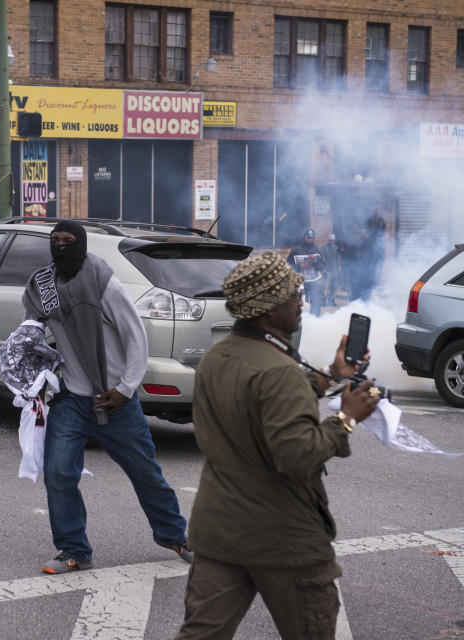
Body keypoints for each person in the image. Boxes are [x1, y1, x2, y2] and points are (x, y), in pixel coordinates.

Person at [174, 251, 380, 640]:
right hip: (283, 539)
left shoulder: (216, 358)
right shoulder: (278, 370)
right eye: (294, 294)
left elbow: (257, 406)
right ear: (269, 309)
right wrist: (346, 418)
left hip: (220, 531)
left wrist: (332, 376)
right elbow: (297, 453)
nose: (301, 301)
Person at [21, 219, 191, 575]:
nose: (61, 246)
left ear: (82, 245)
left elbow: (136, 338)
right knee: (58, 474)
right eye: (56, 241)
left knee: (146, 473)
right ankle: (73, 550)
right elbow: (32, 333)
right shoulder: (43, 286)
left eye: (69, 241)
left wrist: (125, 389)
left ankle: (176, 536)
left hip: (115, 399)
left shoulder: (104, 283)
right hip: (72, 396)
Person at [286, 228, 325, 316]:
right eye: (308, 237)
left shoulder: (318, 250)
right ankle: (299, 322)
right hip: (300, 282)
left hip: (315, 281)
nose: (310, 239)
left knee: (316, 303)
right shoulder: (296, 250)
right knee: (298, 304)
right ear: (304, 237)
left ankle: (315, 321)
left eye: (312, 237)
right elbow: (288, 266)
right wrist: (299, 266)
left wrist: (315, 262)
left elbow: (322, 267)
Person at [321, 233, 342, 309]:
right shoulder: (324, 248)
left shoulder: (337, 248)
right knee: (325, 286)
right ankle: (324, 301)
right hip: (327, 270)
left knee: (334, 287)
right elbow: (322, 259)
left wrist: (338, 268)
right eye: (330, 240)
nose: (331, 242)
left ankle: (332, 301)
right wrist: (324, 269)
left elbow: (338, 259)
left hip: (334, 270)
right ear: (328, 240)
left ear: (334, 240)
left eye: (333, 240)